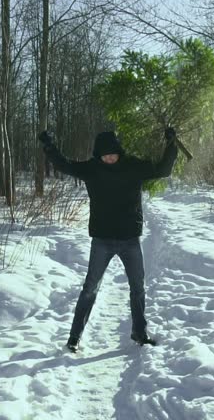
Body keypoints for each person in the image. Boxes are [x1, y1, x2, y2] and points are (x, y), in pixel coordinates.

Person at [38, 128, 178, 352]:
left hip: (130, 239)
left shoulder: (132, 166)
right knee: (90, 289)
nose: (110, 157)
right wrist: (49, 147)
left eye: (113, 153)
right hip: (102, 240)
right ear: (98, 154)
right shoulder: (91, 169)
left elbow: (162, 169)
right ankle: (74, 337)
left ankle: (139, 333)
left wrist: (171, 145)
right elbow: (64, 165)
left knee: (138, 288)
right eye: (105, 154)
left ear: (119, 151)